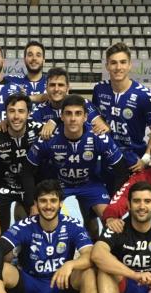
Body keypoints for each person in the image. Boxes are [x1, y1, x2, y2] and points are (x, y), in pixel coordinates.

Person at [25, 94, 129, 239]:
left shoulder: (99, 136)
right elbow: (27, 171)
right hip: (59, 184)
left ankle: (109, 253)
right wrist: (32, 203)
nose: (73, 118)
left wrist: (114, 204)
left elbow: (122, 171)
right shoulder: (48, 137)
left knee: (111, 220)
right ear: (61, 117)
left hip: (90, 184)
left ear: (86, 117)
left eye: (78, 114)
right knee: (39, 218)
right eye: (68, 113)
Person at [93, 42, 151, 172]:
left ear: (130, 65)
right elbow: (96, 118)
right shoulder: (99, 89)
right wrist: (102, 123)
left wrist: (146, 159)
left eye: (123, 62)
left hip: (134, 160)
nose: (118, 67)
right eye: (113, 63)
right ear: (107, 66)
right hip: (106, 157)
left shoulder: (145, 95)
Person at [0, 94, 43, 232]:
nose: (16, 116)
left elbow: (66, 128)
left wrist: (53, 123)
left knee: (37, 227)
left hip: (32, 187)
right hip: (4, 186)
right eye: (12, 111)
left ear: (29, 114)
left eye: (21, 111)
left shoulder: (40, 130)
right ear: (5, 114)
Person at [30, 67, 107, 136]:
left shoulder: (84, 104)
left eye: (60, 85)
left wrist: (54, 122)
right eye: (52, 85)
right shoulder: (38, 110)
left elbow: (103, 128)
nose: (56, 89)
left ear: (67, 88)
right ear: (46, 88)